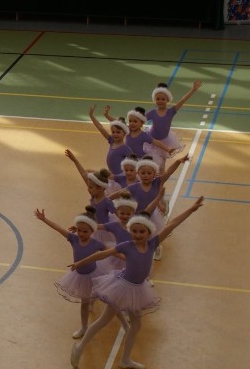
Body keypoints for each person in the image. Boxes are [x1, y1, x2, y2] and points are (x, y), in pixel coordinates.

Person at [69, 196, 204, 369]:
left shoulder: (153, 243)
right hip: (122, 287)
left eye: (142, 232)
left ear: (149, 232)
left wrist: (192, 209)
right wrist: (79, 263)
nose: (138, 235)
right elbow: (102, 254)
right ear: (130, 231)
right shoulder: (127, 245)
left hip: (138, 289)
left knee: (136, 324)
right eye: (135, 231)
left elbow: (173, 223)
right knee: (104, 320)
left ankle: (125, 359)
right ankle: (80, 348)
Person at [34, 207, 128, 339]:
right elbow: (59, 229)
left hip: (96, 274)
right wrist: (44, 219)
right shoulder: (74, 239)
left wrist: (126, 258)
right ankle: (84, 328)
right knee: (84, 303)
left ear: (92, 231)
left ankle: (125, 324)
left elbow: (111, 251)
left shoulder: (96, 243)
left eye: (85, 231)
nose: (81, 234)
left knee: (108, 299)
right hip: (80, 277)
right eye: (79, 230)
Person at [141, 81, 203, 171]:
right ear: (154, 100)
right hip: (153, 140)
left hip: (166, 140)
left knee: (162, 161)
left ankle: (161, 181)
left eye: (163, 99)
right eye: (158, 99)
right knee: (152, 161)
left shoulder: (171, 112)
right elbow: (140, 120)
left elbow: (183, 100)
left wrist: (193, 90)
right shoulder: (152, 112)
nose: (160, 101)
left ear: (167, 100)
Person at [64, 149, 116, 245]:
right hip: (93, 229)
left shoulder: (107, 202)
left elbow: (119, 217)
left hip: (105, 232)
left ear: (100, 188)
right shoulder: (93, 196)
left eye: (90, 187)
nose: (88, 189)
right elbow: (84, 175)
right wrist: (75, 160)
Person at [103, 106, 174, 160]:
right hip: (128, 157)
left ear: (141, 123)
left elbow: (156, 142)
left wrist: (168, 149)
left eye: (135, 121)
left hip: (139, 159)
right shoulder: (128, 130)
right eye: (130, 121)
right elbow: (117, 123)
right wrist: (106, 115)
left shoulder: (144, 135)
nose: (132, 123)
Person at [88, 105, 133, 178]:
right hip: (111, 175)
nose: (115, 134)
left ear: (124, 133)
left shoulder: (125, 148)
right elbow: (100, 127)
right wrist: (91, 116)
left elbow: (136, 163)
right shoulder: (112, 141)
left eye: (118, 132)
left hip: (120, 177)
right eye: (113, 132)